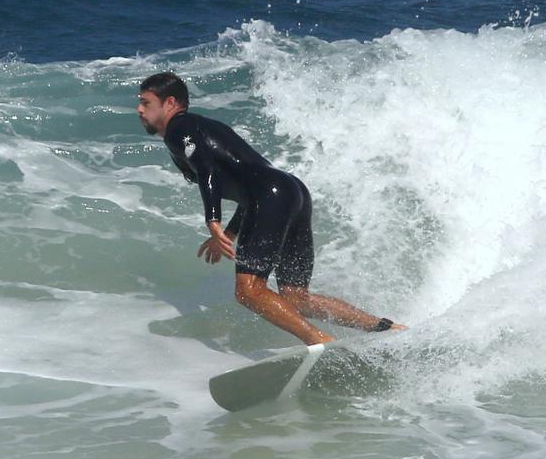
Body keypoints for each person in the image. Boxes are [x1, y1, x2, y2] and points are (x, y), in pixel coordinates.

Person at [137, 72, 406, 345]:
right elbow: (252, 185)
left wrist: (213, 221)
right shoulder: (198, 128)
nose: (139, 109)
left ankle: (321, 341)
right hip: (291, 191)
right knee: (296, 297)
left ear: (170, 103)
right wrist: (229, 233)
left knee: (249, 291)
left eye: (146, 103)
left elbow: (208, 170)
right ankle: (386, 328)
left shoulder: (178, 129)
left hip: (271, 195)